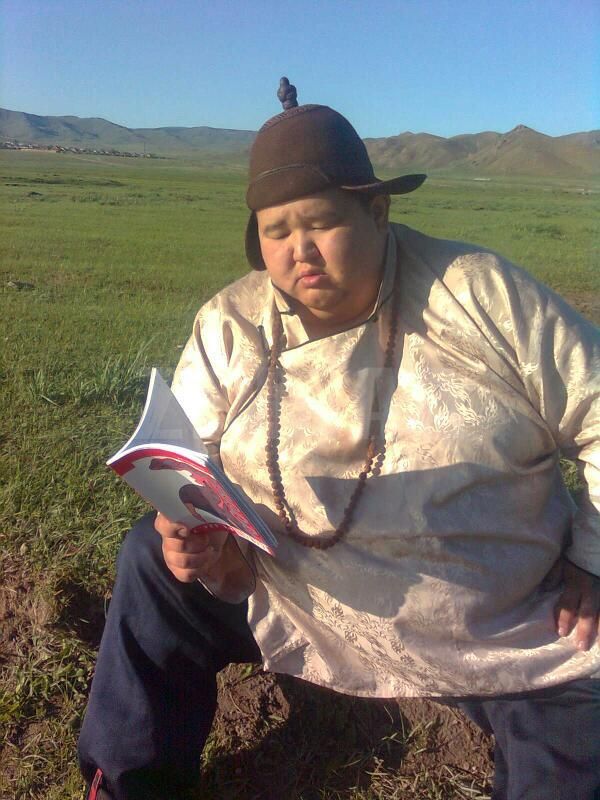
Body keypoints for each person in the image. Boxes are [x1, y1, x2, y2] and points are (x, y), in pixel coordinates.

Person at [79, 79, 600, 800]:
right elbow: (192, 466)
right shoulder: (232, 324)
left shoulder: (480, 294)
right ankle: (128, 783)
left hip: (493, 620)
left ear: (377, 211)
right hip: (296, 593)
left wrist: (593, 558)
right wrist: (195, 534)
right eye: (276, 232)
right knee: (148, 558)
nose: (301, 252)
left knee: (574, 734)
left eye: (321, 222)